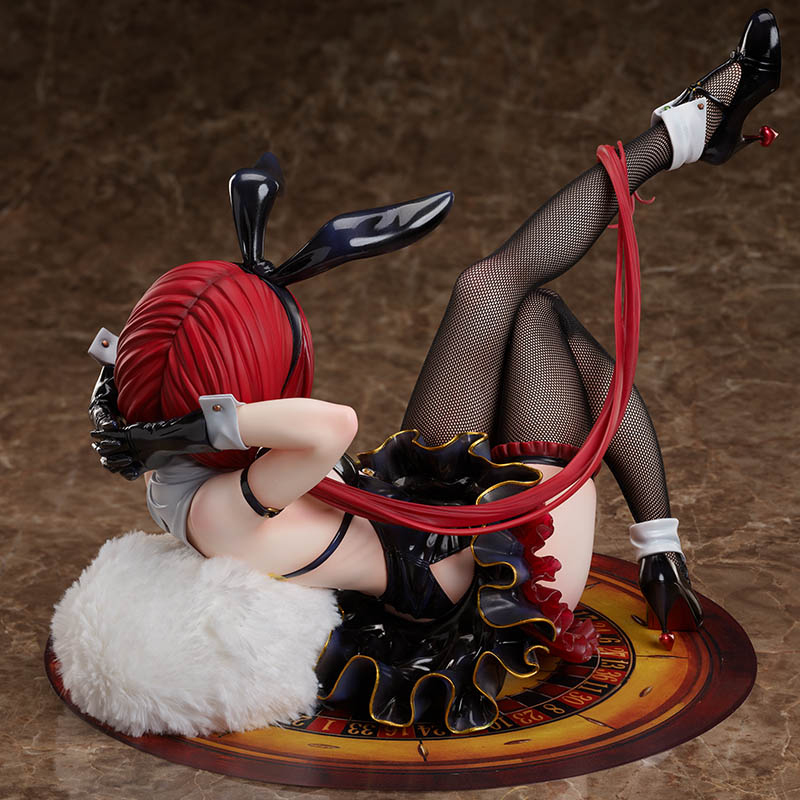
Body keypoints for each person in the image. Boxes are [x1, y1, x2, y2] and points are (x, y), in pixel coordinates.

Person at [87, 9, 780, 734]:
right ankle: (693, 127)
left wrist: (131, 420)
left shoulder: (156, 433)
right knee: (538, 320)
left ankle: (690, 130)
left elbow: (125, 358)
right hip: (489, 586)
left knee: (492, 290)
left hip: (421, 508)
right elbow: (332, 428)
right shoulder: (215, 510)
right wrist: (187, 424)